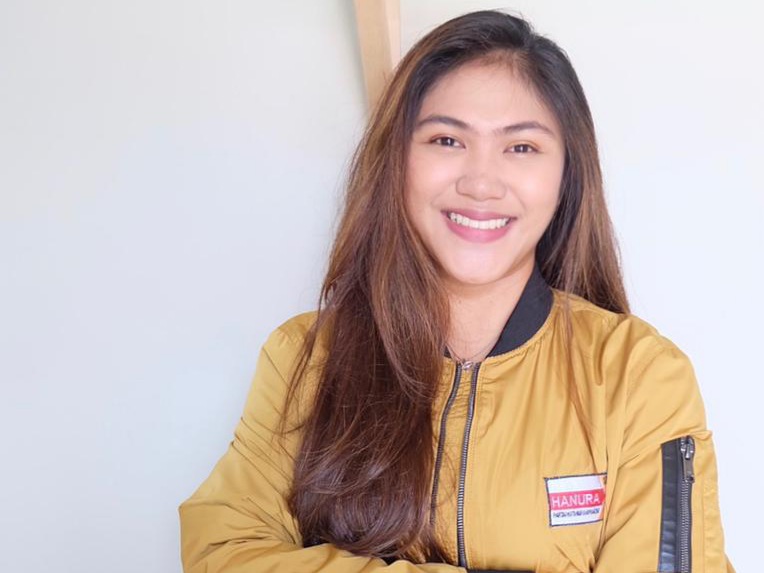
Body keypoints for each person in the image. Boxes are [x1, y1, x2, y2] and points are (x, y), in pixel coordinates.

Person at [179, 10, 733, 573]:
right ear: (397, 160)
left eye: (522, 147)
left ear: (567, 174)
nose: (480, 183)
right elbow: (223, 552)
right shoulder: (306, 357)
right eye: (446, 140)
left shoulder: (638, 374)